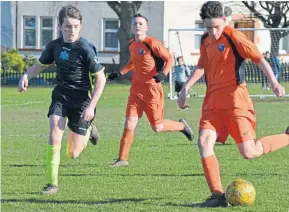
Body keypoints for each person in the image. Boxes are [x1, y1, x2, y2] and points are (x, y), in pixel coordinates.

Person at [178, 1, 288, 207]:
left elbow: (258, 59)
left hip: (236, 101)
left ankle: (287, 137)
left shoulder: (234, 36)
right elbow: (201, 66)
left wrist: (274, 82)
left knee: (249, 152)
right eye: (208, 27)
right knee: (204, 141)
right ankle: (217, 196)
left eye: (216, 26)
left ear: (224, 20)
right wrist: (185, 87)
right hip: (212, 102)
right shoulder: (205, 40)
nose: (212, 31)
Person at [18, 5, 107, 194]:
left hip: (82, 100)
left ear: (80, 26)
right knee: (54, 134)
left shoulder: (85, 48)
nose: (71, 30)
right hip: (61, 96)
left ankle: (89, 128)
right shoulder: (54, 46)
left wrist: (91, 107)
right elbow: (40, 66)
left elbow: (101, 79)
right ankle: (52, 184)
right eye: (67, 26)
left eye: (75, 26)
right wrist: (26, 76)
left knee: (73, 153)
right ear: (60, 26)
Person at [108, 13, 193, 167]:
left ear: (146, 27)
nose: (137, 26)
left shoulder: (153, 43)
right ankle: (122, 159)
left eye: (140, 23)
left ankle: (181, 126)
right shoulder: (132, 44)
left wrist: (163, 74)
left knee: (157, 127)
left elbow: (169, 59)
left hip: (152, 90)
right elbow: (132, 62)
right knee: (129, 123)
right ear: (132, 27)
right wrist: (120, 73)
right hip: (136, 91)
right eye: (135, 23)